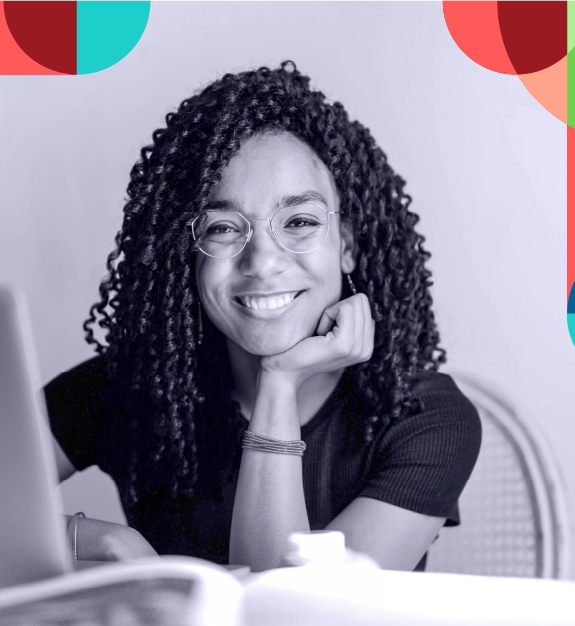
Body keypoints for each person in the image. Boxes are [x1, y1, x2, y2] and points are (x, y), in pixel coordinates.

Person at [44, 62, 482, 572]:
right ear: (188, 253)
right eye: (224, 229)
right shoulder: (132, 386)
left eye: (298, 222)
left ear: (347, 247)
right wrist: (90, 540)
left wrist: (279, 381)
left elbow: (296, 620)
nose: (263, 262)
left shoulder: (425, 419)